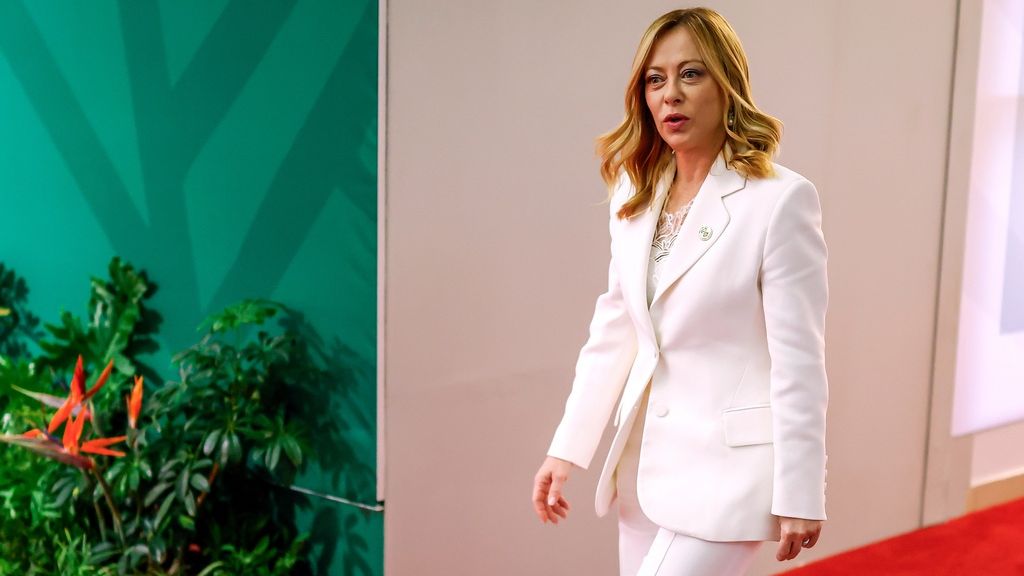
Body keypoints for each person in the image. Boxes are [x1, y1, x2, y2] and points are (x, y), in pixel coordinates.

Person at [530, 7, 829, 576]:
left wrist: (802, 489)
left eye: (691, 74)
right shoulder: (634, 191)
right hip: (643, 472)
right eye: (655, 79)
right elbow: (616, 328)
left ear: (726, 84)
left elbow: (800, 360)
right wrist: (567, 448)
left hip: (732, 478)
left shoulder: (780, 200)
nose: (671, 94)